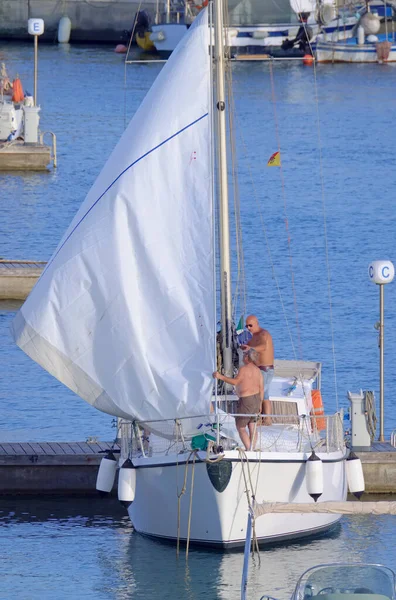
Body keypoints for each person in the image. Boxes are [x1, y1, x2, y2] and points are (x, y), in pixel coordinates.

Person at [213, 348, 263, 450]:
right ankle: (252, 447)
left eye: (245, 355)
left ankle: (249, 449)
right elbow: (261, 388)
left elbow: (235, 382)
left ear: (247, 357)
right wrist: (260, 404)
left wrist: (220, 377)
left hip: (246, 400)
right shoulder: (258, 370)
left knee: (240, 426)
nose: (243, 356)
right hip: (257, 399)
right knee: (252, 425)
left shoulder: (244, 369)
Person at [241, 315, 274, 425]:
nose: (248, 328)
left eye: (250, 325)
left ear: (256, 323)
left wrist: (251, 348)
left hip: (265, 369)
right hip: (257, 369)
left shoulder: (263, 334)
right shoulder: (253, 337)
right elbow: (248, 347)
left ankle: (258, 418)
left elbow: (263, 347)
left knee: (259, 393)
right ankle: (266, 418)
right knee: (265, 395)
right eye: (247, 326)